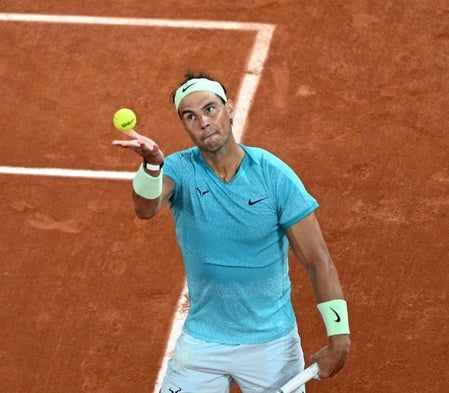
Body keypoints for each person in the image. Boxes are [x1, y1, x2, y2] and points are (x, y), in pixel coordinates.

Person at [112, 72, 350, 393]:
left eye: (210, 109)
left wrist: (340, 338)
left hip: (272, 346)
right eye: (190, 116)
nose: (203, 122)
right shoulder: (179, 170)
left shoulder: (273, 175)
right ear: (184, 124)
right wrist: (152, 164)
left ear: (230, 109)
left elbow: (318, 259)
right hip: (203, 343)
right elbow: (145, 209)